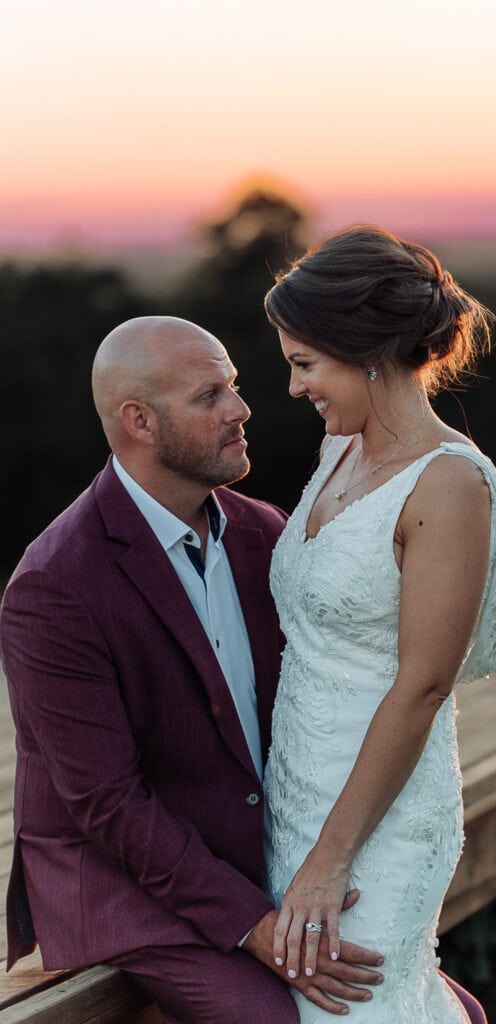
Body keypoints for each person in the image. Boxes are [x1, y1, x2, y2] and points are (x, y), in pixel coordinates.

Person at [0, 316, 385, 1023]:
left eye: (233, 387)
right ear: (139, 421)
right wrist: (258, 926)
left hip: (254, 851)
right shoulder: (54, 586)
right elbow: (107, 806)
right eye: (210, 396)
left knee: (436, 1011)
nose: (240, 409)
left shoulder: (265, 531)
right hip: (123, 879)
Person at [262, 226, 496, 1023]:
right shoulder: (337, 454)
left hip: (376, 821)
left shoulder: (448, 484)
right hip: (293, 795)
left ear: (367, 351)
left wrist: (328, 863)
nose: (296, 388)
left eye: (305, 364)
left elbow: (423, 684)